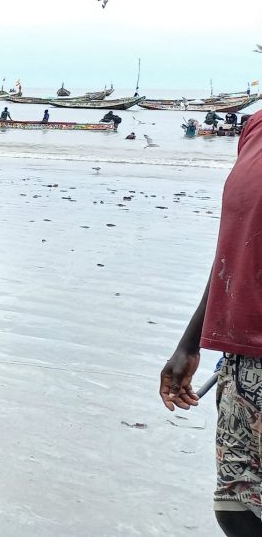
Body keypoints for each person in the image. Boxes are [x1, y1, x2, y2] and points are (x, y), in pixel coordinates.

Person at [160, 113, 262, 536]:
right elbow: (236, 243)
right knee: (237, 509)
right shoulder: (255, 128)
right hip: (243, 362)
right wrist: (192, 340)